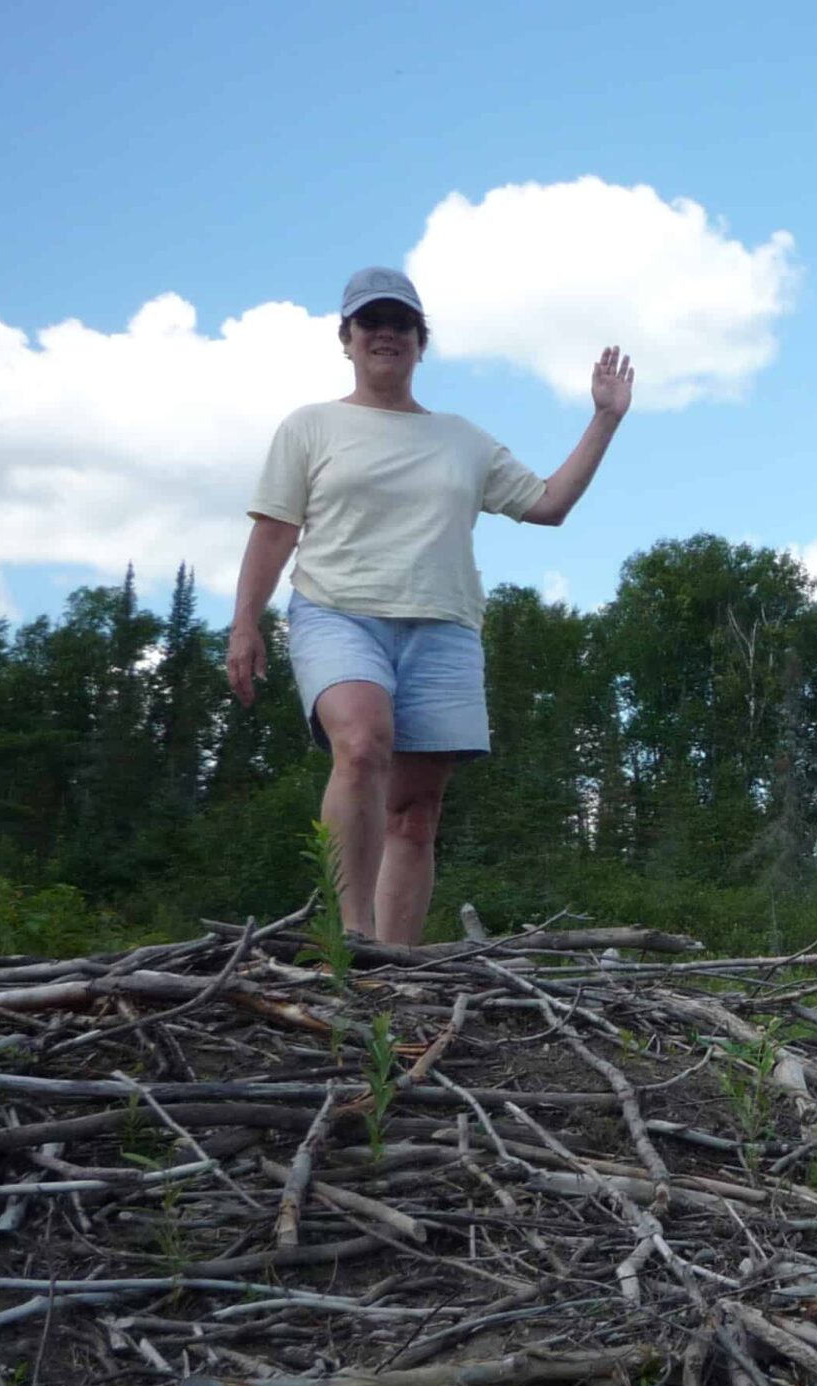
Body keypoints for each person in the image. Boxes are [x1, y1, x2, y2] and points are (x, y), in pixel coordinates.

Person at [226, 266, 632, 943]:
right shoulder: (310, 427)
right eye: (371, 322)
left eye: (401, 324)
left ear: (422, 341)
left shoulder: (462, 439)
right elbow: (274, 530)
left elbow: (548, 505)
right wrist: (245, 624)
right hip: (337, 612)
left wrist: (605, 418)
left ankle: (398, 967)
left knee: (414, 812)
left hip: (443, 629)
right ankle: (350, 941)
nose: (386, 333)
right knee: (360, 744)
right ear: (346, 338)